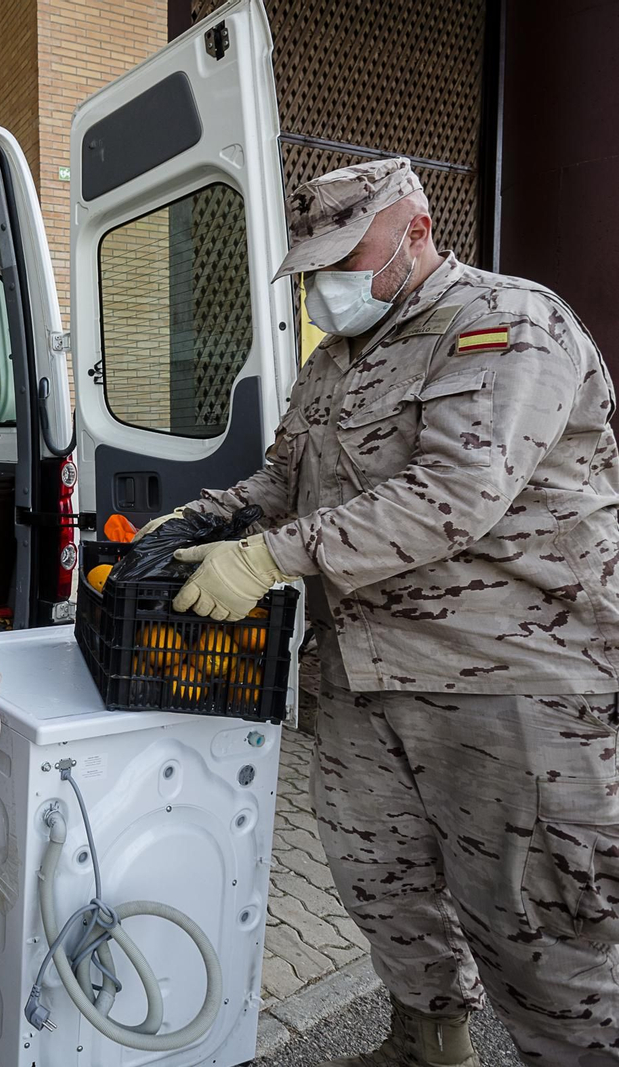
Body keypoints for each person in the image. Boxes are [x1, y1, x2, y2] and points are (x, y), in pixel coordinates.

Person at [142, 158, 619, 1066]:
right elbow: (284, 479)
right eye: (313, 267)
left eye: (344, 258)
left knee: (535, 923)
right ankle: (428, 1045)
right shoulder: (335, 359)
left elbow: (453, 494)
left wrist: (267, 558)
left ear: (417, 230)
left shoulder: (504, 324)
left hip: (509, 684)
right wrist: (205, 520)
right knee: (383, 882)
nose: (327, 284)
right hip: (362, 674)